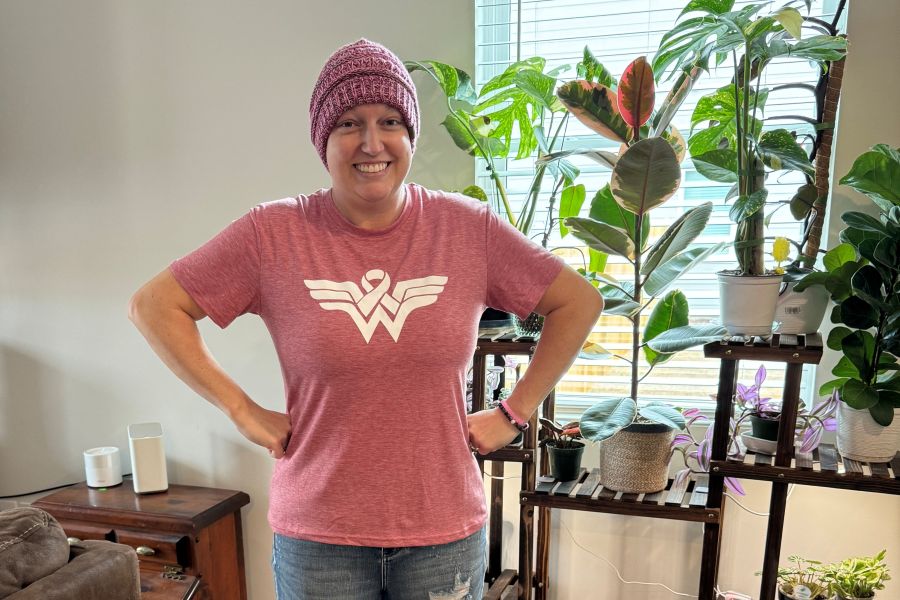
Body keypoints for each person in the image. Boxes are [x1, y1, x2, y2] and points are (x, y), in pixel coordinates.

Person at [129, 39, 603, 600]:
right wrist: (241, 408)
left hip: (442, 534)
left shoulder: (466, 229)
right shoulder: (273, 234)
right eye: (349, 123)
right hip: (319, 539)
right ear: (323, 140)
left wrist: (514, 413)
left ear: (410, 136)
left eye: (390, 122)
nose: (372, 143)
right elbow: (155, 306)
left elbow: (578, 303)